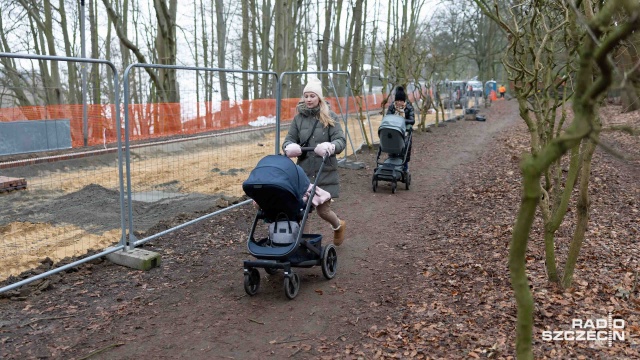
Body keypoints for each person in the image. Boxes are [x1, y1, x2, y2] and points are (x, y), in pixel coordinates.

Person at [282, 77, 347, 246]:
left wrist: (330, 147)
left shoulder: (330, 116)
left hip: (324, 171)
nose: (309, 99)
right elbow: (288, 139)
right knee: (303, 211)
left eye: (312, 95)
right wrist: (289, 147)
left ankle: (338, 225)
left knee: (323, 211)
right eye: (306, 96)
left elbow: (340, 140)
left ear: (319, 97)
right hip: (303, 172)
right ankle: (302, 244)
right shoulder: (298, 119)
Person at [386, 86, 415, 172]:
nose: (399, 103)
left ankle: (405, 166)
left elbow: (412, 120)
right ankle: (392, 162)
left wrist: (402, 121)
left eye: (401, 101)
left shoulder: (409, 107)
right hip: (394, 130)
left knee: (405, 146)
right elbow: (387, 117)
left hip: (405, 131)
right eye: (397, 100)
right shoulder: (392, 107)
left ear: (404, 101)